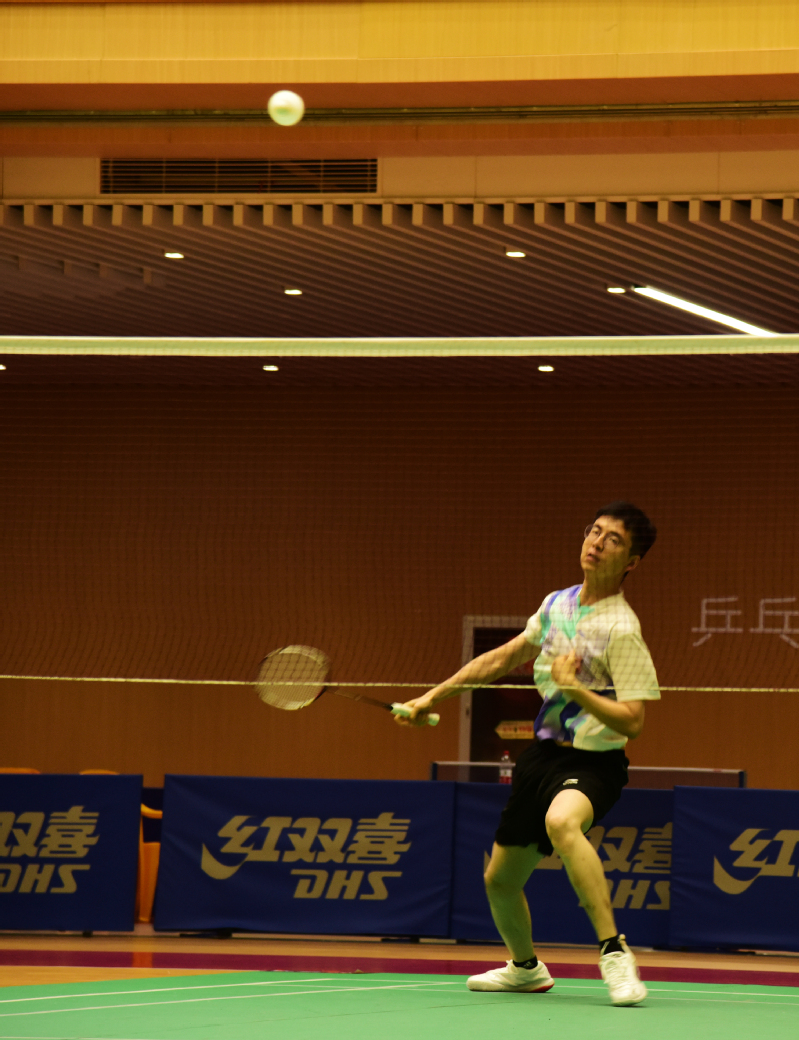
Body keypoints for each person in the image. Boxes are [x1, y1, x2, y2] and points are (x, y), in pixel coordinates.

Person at [397, 501, 659, 1007]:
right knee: (499, 880)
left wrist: (574, 688)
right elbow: (502, 657)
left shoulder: (622, 629)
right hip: (541, 757)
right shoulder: (557, 604)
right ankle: (525, 968)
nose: (597, 543)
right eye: (594, 531)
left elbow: (633, 721)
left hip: (594, 761)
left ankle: (615, 953)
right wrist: (431, 697)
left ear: (631, 562)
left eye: (613, 540)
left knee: (563, 822)